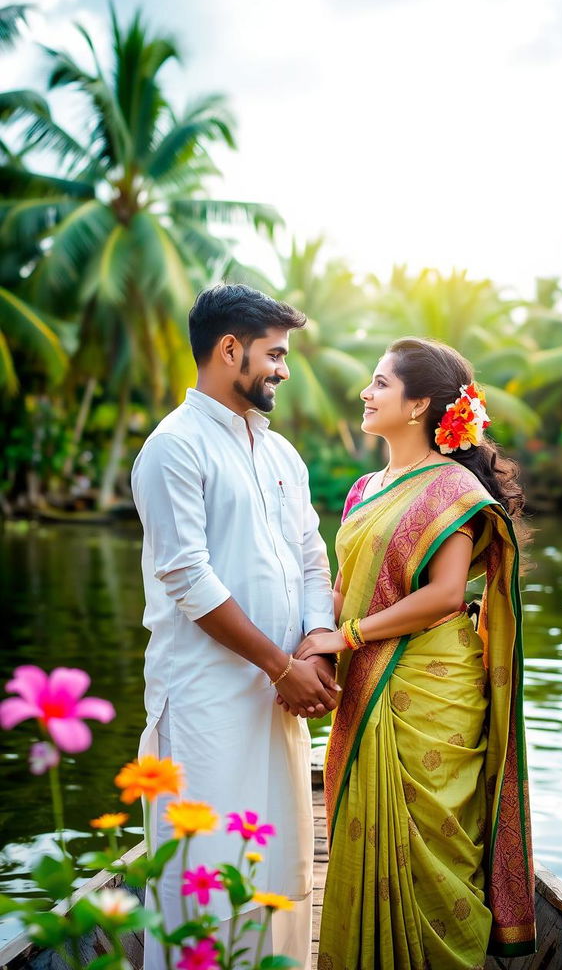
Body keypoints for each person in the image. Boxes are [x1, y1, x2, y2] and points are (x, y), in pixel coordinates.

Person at [296, 337, 536, 970]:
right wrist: (315, 654)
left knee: (436, 845)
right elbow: (343, 587)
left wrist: (345, 639)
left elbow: (446, 594)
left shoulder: (453, 488)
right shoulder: (363, 488)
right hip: (367, 683)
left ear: (419, 403)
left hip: (433, 689)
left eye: (379, 383)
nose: (365, 393)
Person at [131, 284, 339, 970]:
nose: (282, 368)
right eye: (274, 353)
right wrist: (284, 668)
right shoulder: (174, 448)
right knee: (206, 882)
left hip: (280, 701)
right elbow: (189, 580)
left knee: (278, 878)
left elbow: (313, 558)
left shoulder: (280, 455)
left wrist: (314, 648)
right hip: (206, 706)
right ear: (229, 349)